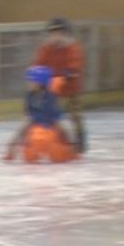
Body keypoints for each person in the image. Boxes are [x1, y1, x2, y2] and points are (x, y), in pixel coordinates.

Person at [32, 17, 86, 152]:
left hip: (70, 88)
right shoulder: (46, 49)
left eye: (60, 33)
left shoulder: (73, 48)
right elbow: (38, 63)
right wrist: (36, 75)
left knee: (75, 115)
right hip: (51, 89)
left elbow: (75, 64)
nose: (57, 36)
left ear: (67, 34)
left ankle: (80, 138)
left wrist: (69, 73)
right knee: (51, 115)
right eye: (53, 33)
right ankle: (51, 139)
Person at [3, 65, 72, 161]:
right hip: (36, 130)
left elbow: (57, 123)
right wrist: (13, 144)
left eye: (32, 81)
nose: (29, 83)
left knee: (58, 154)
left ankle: (66, 150)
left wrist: (68, 143)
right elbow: (27, 121)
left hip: (50, 129)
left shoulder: (49, 98)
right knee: (30, 153)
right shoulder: (30, 96)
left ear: (40, 83)